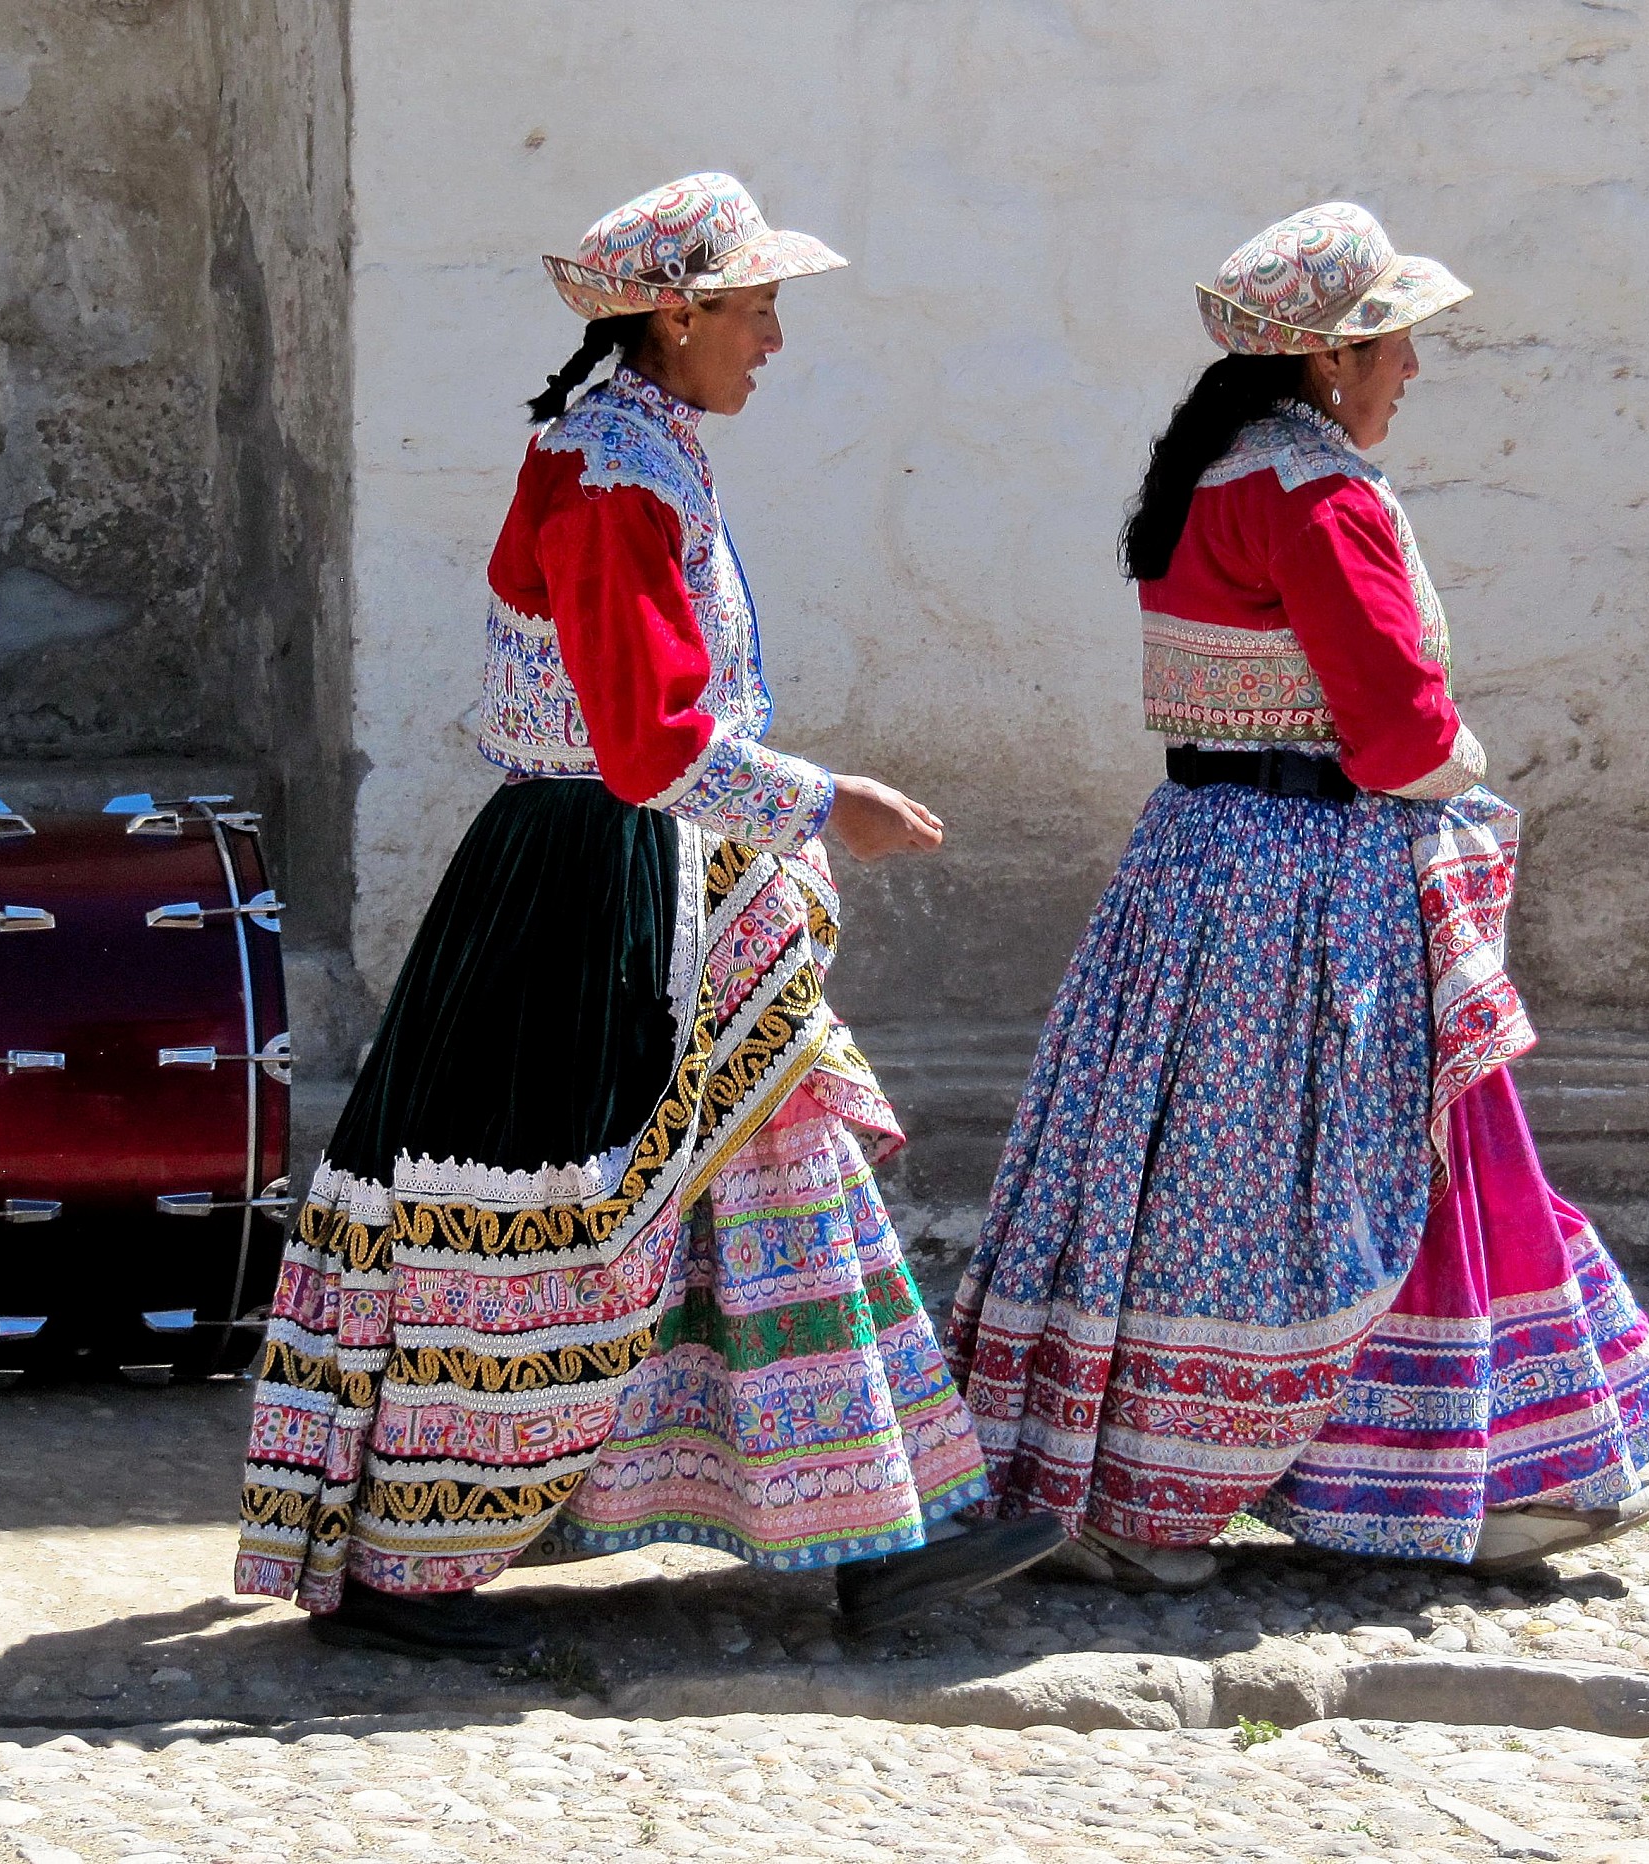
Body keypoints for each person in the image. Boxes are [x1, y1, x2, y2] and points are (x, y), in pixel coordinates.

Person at [237, 175, 1063, 1658]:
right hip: (596, 893)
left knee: (784, 1177)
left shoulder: (641, 452)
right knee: (539, 1221)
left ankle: (885, 1531)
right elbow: (648, 741)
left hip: (661, 883)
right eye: (756, 310)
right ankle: (400, 1565)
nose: (775, 340)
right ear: (675, 315)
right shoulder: (613, 478)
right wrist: (830, 802)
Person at [946, 203, 1649, 1590]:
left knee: (1180, 1170)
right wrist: (1465, 765)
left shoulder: (1209, 480)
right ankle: (1489, 1473)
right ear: (1332, 361)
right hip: (1316, 884)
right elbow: (1399, 732)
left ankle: (1125, 1479)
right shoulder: (1319, 495)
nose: (1410, 367)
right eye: (1395, 341)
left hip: (1196, 867)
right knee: (1400, 1156)